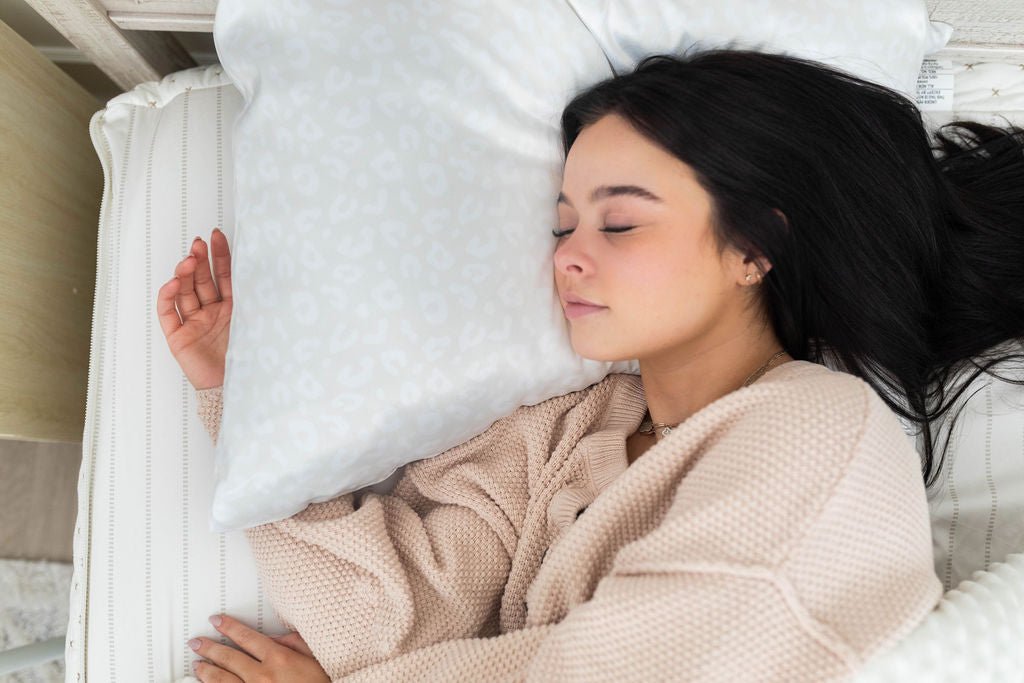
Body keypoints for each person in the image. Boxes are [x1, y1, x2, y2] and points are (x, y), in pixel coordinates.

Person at [156, 49, 1024, 681]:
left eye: (619, 224)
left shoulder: (821, 429)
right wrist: (237, 391)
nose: (568, 256)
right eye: (563, 224)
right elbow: (389, 618)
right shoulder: (570, 424)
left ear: (755, 248)